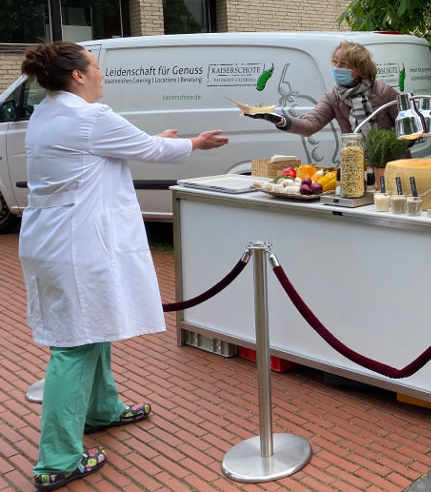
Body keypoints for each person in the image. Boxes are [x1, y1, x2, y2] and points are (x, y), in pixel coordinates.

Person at [18, 41, 229, 491]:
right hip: (75, 245)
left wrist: (160, 144)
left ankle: (102, 409)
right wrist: (195, 143)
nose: (100, 75)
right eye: (95, 68)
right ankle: (56, 459)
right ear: (77, 75)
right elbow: (145, 150)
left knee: (93, 326)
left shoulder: (47, 112)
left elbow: (128, 146)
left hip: (54, 239)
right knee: (73, 344)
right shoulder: (89, 117)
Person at [247, 40, 399, 135]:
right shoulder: (333, 97)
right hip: (357, 164)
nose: (337, 67)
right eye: (335, 62)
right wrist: (279, 120)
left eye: (344, 64)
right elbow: (310, 125)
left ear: (361, 69)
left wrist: (402, 142)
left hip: (394, 163)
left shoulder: (383, 92)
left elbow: (405, 123)